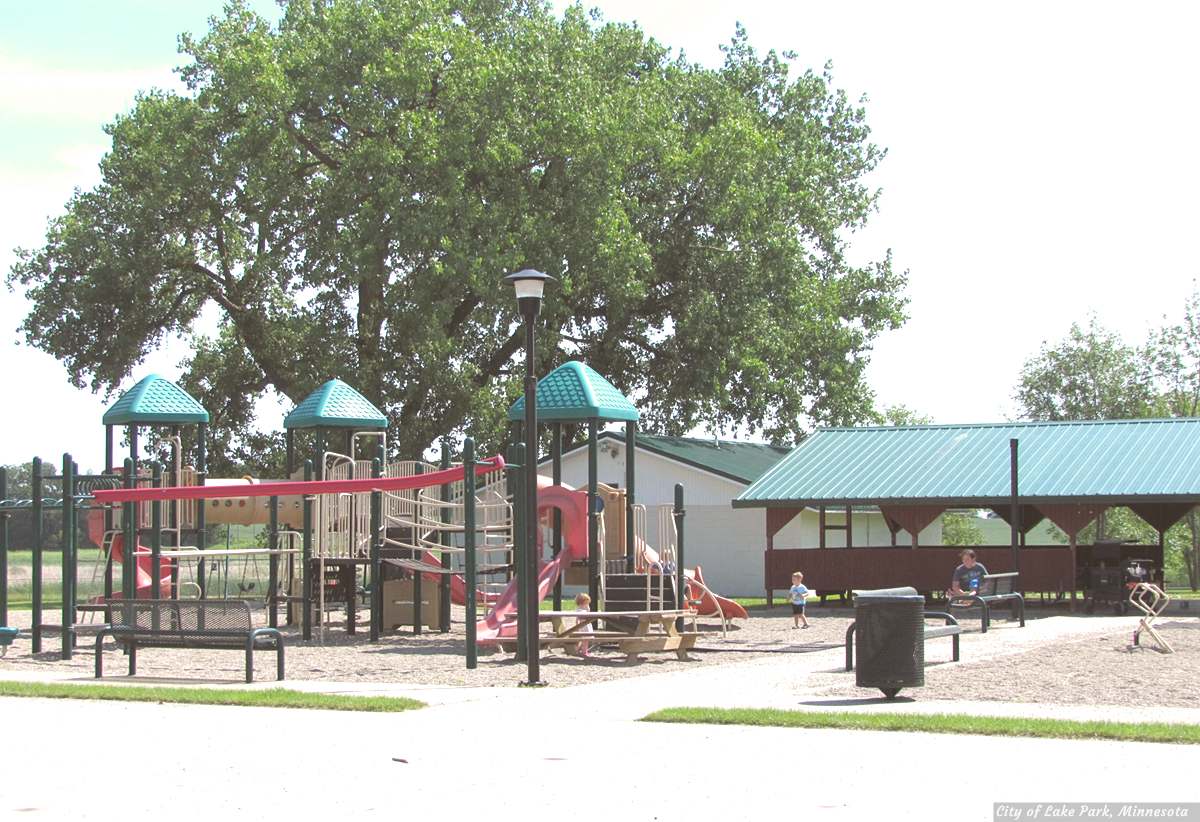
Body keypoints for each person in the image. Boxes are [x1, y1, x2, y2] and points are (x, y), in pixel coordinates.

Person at [573, 592, 594, 657]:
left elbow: (577, 619)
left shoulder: (580, 609)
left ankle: (580, 650)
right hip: (584, 626)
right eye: (587, 603)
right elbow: (579, 618)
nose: (588, 604)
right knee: (585, 639)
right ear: (583, 602)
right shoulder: (581, 610)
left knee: (584, 639)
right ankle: (584, 652)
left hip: (585, 626)